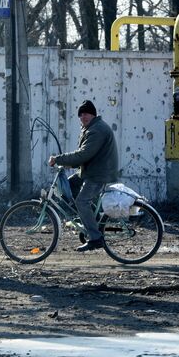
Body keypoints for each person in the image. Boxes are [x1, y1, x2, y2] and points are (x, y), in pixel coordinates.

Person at [48, 100, 119, 252]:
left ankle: (95, 238)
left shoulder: (96, 130)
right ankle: (91, 219)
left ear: (93, 114)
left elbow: (84, 154)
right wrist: (66, 163)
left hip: (100, 173)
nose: (83, 117)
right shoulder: (90, 128)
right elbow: (85, 156)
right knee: (70, 185)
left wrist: (59, 159)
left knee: (81, 202)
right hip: (93, 170)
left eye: (86, 113)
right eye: (80, 115)